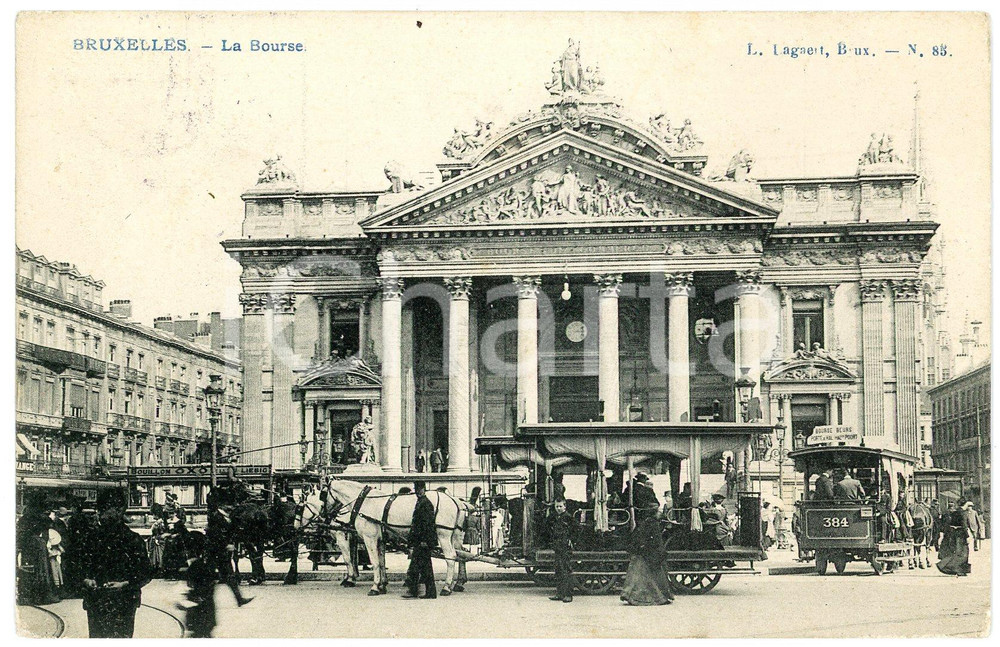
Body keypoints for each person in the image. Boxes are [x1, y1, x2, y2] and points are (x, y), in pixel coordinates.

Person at [80, 489, 153, 638]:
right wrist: (86, 579)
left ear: (120, 510)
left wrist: (125, 583)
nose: (100, 514)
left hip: (124, 601)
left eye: (105, 509)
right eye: (100, 509)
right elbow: (79, 565)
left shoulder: (133, 539)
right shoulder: (91, 538)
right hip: (96, 600)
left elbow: (145, 572)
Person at [206, 504, 253, 607]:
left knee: (228, 576)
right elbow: (214, 534)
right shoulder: (216, 517)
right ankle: (204, 600)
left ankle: (239, 599)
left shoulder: (224, 517)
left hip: (220, 552)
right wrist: (226, 544)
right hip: (215, 552)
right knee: (209, 577)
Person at [620, 516, 673, 606]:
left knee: (636, 575)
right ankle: (656, 597)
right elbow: (657, 540)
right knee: (653, 575)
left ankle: (630, 595)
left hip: (641, 552)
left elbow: (636, 537)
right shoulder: (653, 523)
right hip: (648, 552)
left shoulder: (642, 522)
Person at [178, 531, 217, 638]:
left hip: (198, 615)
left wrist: (186, 601)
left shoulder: (196, 567)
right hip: (206, 614)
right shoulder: (204, 565)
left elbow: (200, 591)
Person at [403, 481, 437, 599]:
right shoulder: (421, 502)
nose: (417, 492)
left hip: (423, 542)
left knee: (423, 567)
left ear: (424, 489)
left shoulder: (426, 504)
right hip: (419, 541)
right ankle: (418, 591)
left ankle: (426, 592)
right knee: (417, 567)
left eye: (419, 489)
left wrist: (424, 541)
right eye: (416, 489)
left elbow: (427, 524)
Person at [937, 500, 974, 576]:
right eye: (969, 505)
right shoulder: (963, 513)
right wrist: (967, 536)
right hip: (961, 534)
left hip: (954, 534)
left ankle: (955, 569)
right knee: (962, 553)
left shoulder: (956, 512)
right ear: (966, 505)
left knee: (957, 552)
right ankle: (958, 570)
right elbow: (964, 525)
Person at [547, 499, 574, 603]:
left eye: (560, 506)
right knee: (558, 570)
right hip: (558, 546)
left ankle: (568, 595)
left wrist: (571, 540)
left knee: (566, 570)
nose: (558, 508)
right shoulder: (555, 517)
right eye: (557, 506)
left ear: (565, 507)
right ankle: (559, 594)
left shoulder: (568, 517)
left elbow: (577, 529)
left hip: (565, 547)